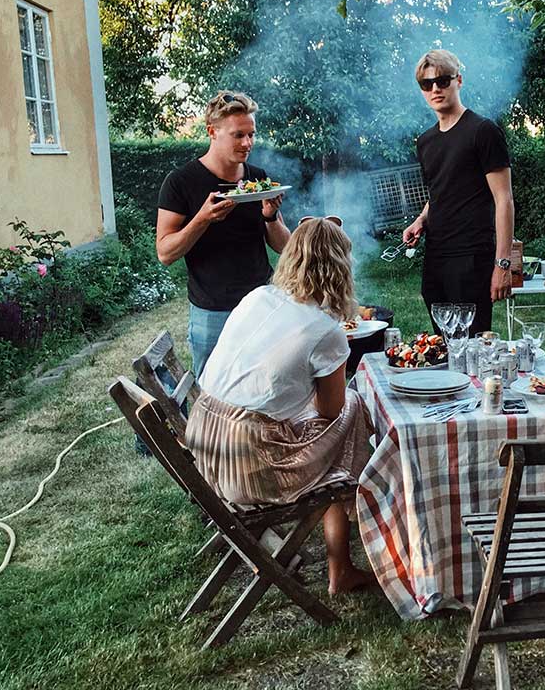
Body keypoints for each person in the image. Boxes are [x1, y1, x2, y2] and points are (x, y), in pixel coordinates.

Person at [185, 216, 374, 595]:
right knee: (353, 409)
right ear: (340, 268)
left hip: (203, 447)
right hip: (248, 466)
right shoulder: (326, 330)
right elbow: (330, 412)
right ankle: (347, 549)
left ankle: (343, 552)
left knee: (333, 426)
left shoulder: (258, 296)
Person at [156, 91, 290, 378]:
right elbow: (165, 253)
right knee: (211, 393)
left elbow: (283, 246)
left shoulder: (257, 178)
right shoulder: (181, 182)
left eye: (251, 134)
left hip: (260, 304)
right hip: (211, 311)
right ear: (212, 132)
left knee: (263, 386)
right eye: (238, 135)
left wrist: (269, 216)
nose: (247, 143)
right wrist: (202, 219)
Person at [401, 49, 515, 335]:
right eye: (427, 84)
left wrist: (503, 264)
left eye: (442, 80)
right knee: (442, 346)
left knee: (472, 346)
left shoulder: (483, 131)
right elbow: (439, 191)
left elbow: (504, 199)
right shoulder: (425, 141)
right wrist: (421, 220)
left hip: (472, 257)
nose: (435, 89)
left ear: (458, 81)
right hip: (436, 256)